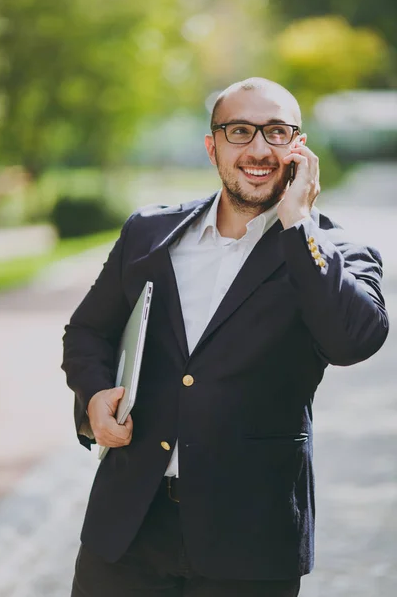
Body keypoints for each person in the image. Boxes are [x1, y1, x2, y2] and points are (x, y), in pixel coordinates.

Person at [62, 77, 389, 597]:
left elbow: (353, 341)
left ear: (299, 149)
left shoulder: (335, 252)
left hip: (251, 542)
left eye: (277, 132)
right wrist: (95, 394)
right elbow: (86, 333)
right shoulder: (149, 234)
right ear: (213, 146)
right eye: (240, 131)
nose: (259, 149)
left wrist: (298, 223)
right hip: (128, 533)